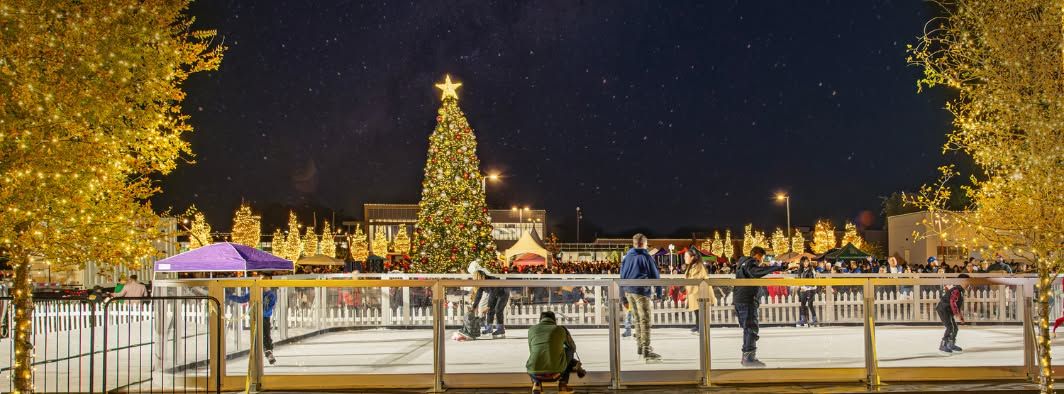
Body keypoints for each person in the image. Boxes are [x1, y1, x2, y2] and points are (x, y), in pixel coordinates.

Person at [734, 246, 798, 367]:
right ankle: (748, 358)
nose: (762, 261)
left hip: (740, 300)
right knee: (751, 328)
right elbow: (755, 272)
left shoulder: (742, 263)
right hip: (747, 300)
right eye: (762, 258)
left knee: (748, 328)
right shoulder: (751, 263)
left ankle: (747, 356)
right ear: (758, 255)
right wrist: (778, 267)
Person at [620, 233, 662, 362]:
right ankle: (646, 349)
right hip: (641, 291)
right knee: (645, 320)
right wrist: (659, 293)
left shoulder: (627, 257)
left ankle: (640, 346)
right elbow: (655, 276)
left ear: (633, 243)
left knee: (637, 319)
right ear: (644, 243)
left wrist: (623, 297)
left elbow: (622, 275)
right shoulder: (646, 257)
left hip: (628, 291)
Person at [526, 311, 586, 394]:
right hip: (556, 374)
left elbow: (531, 349)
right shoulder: (560, 329)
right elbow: (573, 348)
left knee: (536, 354)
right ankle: (563, 386)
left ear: (540, 320)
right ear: (554, 320)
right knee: (568, 351)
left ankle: (536, 384)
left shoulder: (532, 330)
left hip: (534, 373)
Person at [227, 274, 279, 365]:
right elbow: (242, 299)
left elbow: (270, 307)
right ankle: (258, 356)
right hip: (255, 318)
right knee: (256, 337)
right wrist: (229, 296)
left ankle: (268, 352)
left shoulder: (271, 295)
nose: (263, 286)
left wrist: (262, 312)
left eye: (264, 283)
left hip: (264, 318)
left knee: (266, 335)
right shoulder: (254, 292)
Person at [469, 260, 509, 339]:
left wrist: (488, 306)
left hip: (503, 293)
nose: (474, 278)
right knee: (490, 311)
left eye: (475, 276)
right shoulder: (481, 283)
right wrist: (474, 307)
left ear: (480, 275)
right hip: (495, 294)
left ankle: (500, 329)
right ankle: (489, 328)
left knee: (498, 310)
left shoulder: (490, 280)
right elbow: (478, 295)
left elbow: (492, 293)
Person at [937, 273, 968, 353]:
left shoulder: (960, 291)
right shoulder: (956, 290)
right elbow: (952, 302)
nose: (969, 284)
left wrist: (960, 315)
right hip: (943, 309)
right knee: (950, 327)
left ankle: (951, 344)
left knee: (955, 328)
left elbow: (957, 305)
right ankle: (943, 344)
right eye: (967, 281)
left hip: (948, 310)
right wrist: (957, 314)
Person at [684, 247, 712, 334]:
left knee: (700, 309)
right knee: (696, 310)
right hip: (694, 291)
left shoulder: (698, 266)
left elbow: (695, 279)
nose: (685, 258)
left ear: (692, 257)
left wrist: (688, 292)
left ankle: (701, 327)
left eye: (686, 256)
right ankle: (698, 326)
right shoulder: (692, 266)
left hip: (699, 291)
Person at [796, 257, 818, 327]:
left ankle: (815, 320)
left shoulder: (811, 270)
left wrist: (805, 287)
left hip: (810, 289)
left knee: (810, 304)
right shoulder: (800, 270)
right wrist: (801, 287)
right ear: (802, 262)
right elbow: (799, 279)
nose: (806, 263)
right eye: (804, 262)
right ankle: (803, 319)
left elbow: (813, 282)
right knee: (802, 304)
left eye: (807, 262)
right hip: (803, 289)